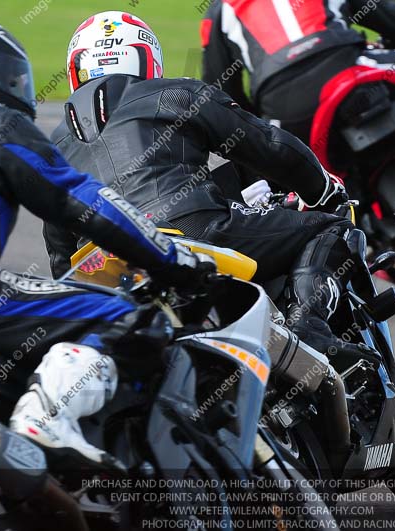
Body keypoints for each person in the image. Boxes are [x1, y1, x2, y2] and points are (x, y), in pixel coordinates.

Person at [0, 17, 209, 466]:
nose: (17, 87)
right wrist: (171, 257)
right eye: (6, 74)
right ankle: (46, 419)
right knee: (127, 317)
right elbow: (82, 201)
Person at [44, 11, 367, 359]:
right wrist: (322, 189)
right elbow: (270, 146)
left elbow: (60, 248)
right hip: (187, 231)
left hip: (100, 264)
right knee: (333, 230)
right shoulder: (177, 92)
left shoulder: (51, 146)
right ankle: (310, 332)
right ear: (147, 59)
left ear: (76, 68)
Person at [201, 0, 395, 144]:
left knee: (272, 185)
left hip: (282, 105)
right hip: (344, 67)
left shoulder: (217, 12)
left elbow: (222, 95)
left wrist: (261, 125)